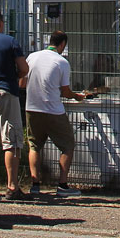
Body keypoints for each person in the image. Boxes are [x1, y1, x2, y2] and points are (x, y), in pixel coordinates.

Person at [25, 31, 90, 197]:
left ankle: (35, 184)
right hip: (53, 110)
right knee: (67, 144)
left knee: (34, 145)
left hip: (32, 108)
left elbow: (22, 81)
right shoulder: (62, 62)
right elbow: (65, 91)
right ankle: (62, 184)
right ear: (62, 45)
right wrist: (77, 96)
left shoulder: (32, 57)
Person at [0, 9, 31, 201]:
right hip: (5, 91)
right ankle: (12, 186)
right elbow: (24, 68)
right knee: (11, 139)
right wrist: (14, 76)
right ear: (0, 23)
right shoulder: (10, 41)